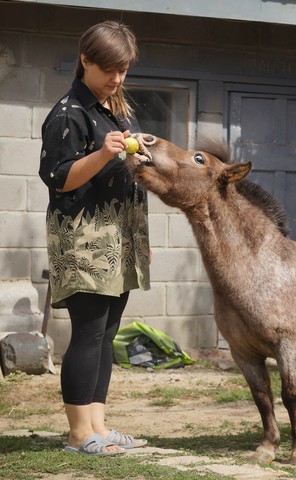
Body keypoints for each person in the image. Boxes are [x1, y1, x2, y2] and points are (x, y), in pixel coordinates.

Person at [39, 20, 151, 456]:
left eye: (123, 69)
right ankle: (77, 432)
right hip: (84, 238)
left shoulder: (113, 107)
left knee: (107, 331)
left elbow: (119, 155)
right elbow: (59, 178)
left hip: (117, 236)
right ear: (85, 59)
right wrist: (104, 152)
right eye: (109, 68)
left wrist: (134, 144)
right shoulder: (68, 113)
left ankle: (97, 426)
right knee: (87, 333)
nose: (117, 78)